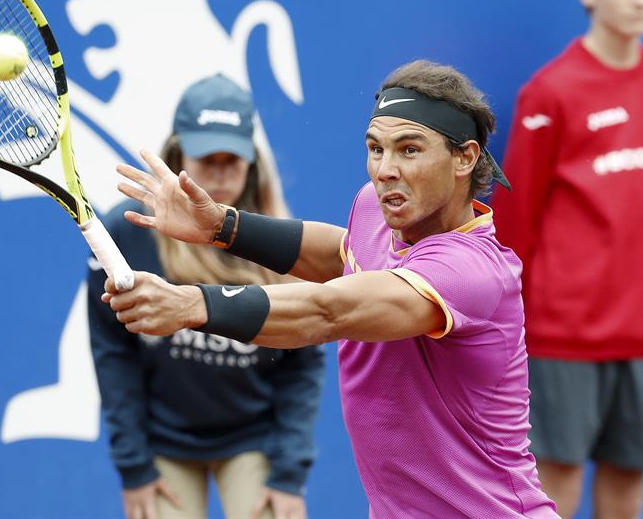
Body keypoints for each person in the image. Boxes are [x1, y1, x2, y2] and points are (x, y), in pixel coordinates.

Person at [103, 59, 559, 517]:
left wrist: (191, 303)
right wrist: (223, 225)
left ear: (465, 157)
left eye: (409, 150)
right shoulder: (376, 209)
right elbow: (343, 253)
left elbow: (330, 311)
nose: (385, 170)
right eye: (375, 149)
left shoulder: (471, 272)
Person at [490, 0, 643, 517]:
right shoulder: (552, 92)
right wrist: (512, 322)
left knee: (629, 475)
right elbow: (516, 221)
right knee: (556, 476)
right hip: (565, 331)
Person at [87, 74, 325, 519]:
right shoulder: (127, 233)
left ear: (253, 164)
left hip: (254, 438)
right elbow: (113, 352)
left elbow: (304, 364)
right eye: (205, 159)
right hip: (163, 441)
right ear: (177, 155)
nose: (218, 174)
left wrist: (288, 474)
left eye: (231, 161)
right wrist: (135, 467)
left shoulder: (282, 246)